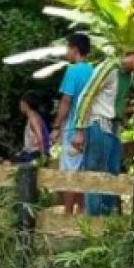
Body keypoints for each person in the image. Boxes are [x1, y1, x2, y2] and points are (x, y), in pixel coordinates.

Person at [70, 41, 134, 216]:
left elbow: (113, 101)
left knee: (112, 174)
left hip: (113, 127)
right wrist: (79, 130)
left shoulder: (128, 76)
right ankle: (94, 223)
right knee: (96, 174)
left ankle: (106, 222)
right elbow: (86, 95)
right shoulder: (109, 68)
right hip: (98, 124)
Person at [53, 33, 94, 215]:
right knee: (83, 169)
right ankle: (82, 210)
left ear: (75, 50)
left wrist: (56, 126)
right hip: (90, 126)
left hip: (73, 126)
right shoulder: (93, 71)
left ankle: (68, 211)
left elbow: (66, 101)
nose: (67, 52)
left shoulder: (72, 71)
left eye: (68, 48)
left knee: (70, 171)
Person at [15, 93, 52, 164]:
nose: (19, 107)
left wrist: (43, 156)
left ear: (25, 104)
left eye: (20, 104)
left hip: (34, 153)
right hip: (32, 152)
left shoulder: (33, 119)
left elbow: (40, 137)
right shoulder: (35, 116)